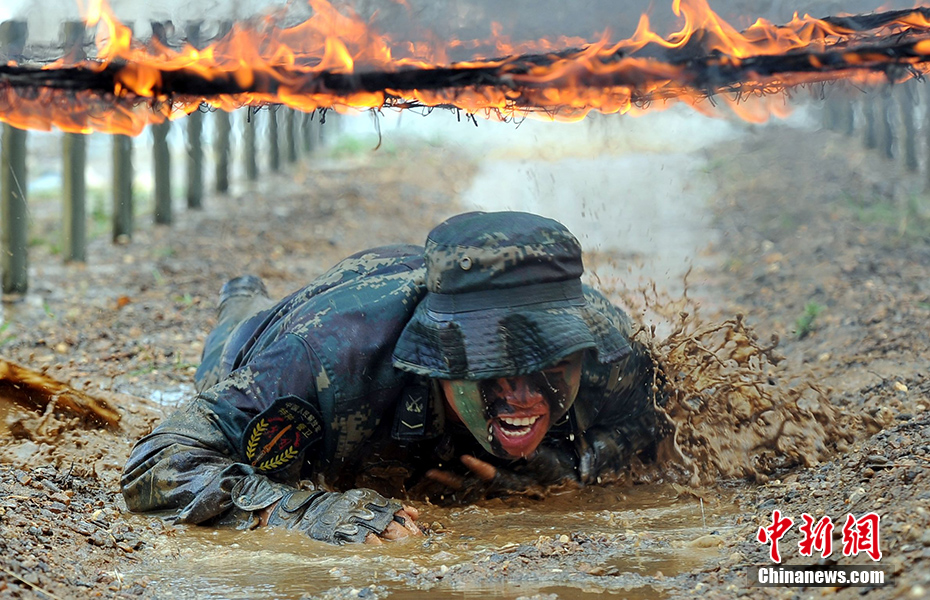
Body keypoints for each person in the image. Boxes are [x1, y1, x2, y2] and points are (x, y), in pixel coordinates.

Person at [121, 211, 661, 545]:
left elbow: (658, 422)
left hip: (407, 286)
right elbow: (156, 464)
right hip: (321, 315)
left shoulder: (603, 346)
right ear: (443, 351)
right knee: (234, 341)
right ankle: (241, 295)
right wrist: (303, 510)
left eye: (549, 363)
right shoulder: (323, 354)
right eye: (495, 365)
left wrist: (569, 465)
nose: (523, 397)